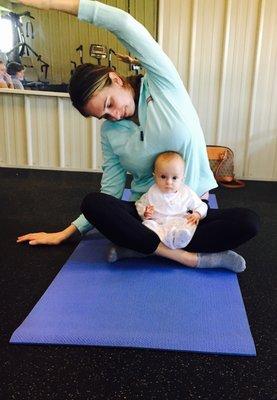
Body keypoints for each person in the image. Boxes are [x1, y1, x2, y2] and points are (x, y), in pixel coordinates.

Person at [17, 0, 260, 273]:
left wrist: (50, 3)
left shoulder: (163, 84)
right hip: (148, 215)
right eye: (103, 116)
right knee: (94, 204)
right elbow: (110, 190)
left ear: (116, 79)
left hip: (190, 215)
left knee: (248, 221)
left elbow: (124, 25)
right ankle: (190, 258)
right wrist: (67, 232)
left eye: (109, 104)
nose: (113, 116)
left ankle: (143, 249)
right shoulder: (110, 134)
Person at [135, 151, 207, 250]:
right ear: (155, 176)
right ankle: (159, 241)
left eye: (174, 178)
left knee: (188, 224)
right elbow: (140, 203)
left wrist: (197, 214)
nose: (169, 182)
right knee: (147, 225)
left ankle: (180, 238)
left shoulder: (186, 193)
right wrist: (145, 212)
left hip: (178, 222)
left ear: (182, 178)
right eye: (163, 177)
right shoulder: (152, 192)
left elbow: (201, 205)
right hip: (158, 224)